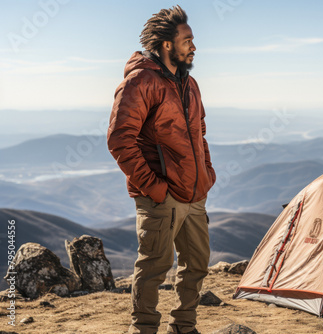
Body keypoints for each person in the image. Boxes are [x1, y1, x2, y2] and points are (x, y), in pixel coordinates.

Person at [107, 6, 216, 334]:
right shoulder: (140, 81)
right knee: (154, 268)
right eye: (188, 40)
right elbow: (119, 140)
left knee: (196, 264)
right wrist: (154, 187)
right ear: (168, 44)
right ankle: (143, 329)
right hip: (161, 197)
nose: (194, 47)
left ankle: (184, 326)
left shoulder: (190, 83)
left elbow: (200, 132)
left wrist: (207, 173)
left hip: (194, 195)